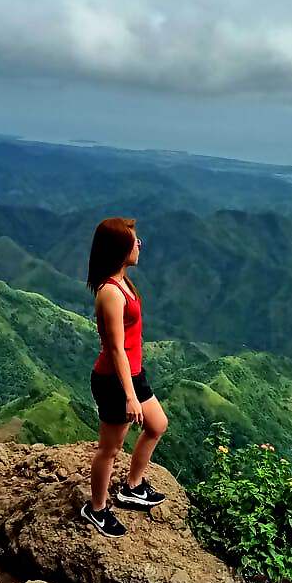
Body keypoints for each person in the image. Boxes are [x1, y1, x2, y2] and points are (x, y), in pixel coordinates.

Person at [81, 217, 169, 538]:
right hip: (114, 379)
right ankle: (97, 508)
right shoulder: (111, 293)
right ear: (120, 249)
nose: (139, 244)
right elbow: (116, 349)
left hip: (133, 373)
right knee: (110, 449)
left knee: (157, 425)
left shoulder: (124, 282)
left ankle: (132, 486)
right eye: (134, 240)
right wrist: (130, 395)